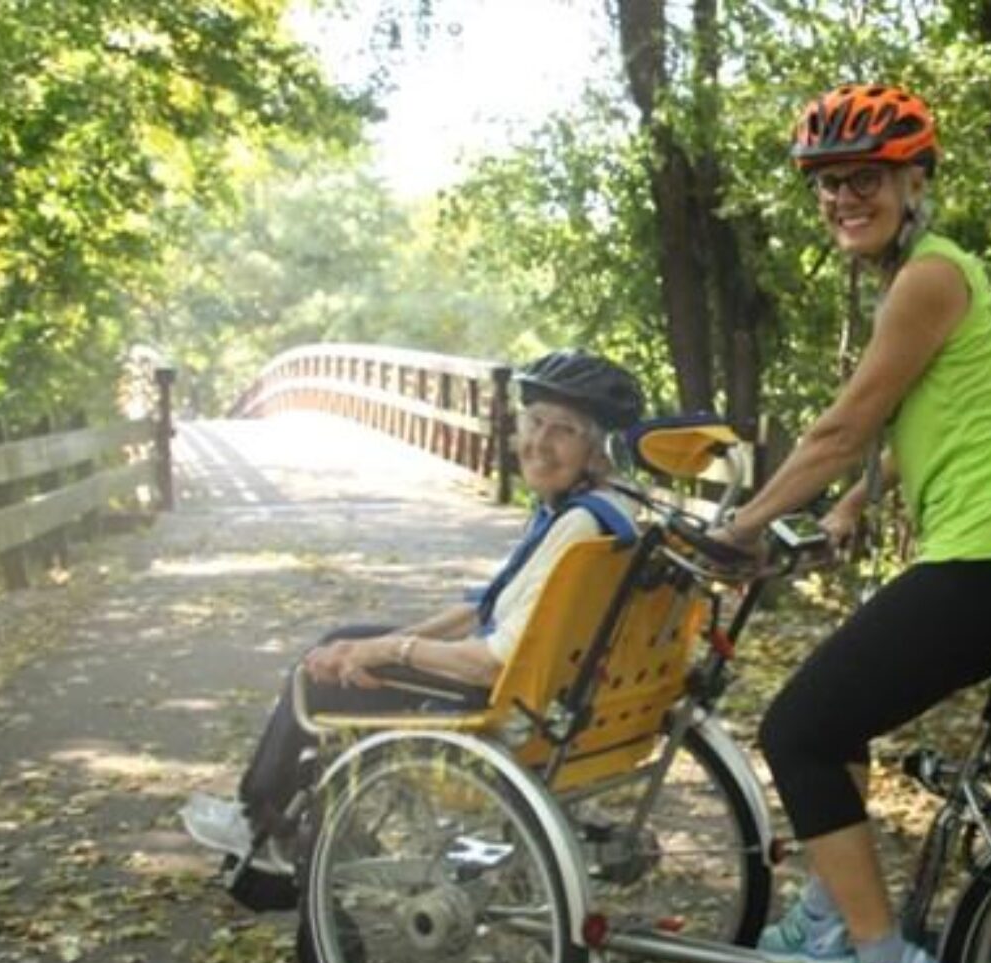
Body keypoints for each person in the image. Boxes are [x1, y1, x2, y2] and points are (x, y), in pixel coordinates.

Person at [715, 84, 991, 963]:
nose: (844, 197)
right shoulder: (943, 277)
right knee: (842, 714)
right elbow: (940, 415)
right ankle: (837, 906)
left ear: (915, 177)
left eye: (866, 177)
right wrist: (856, 502)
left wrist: (738, 526)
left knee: (794, 730)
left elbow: (841, 426)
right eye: (831, 184)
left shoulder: (924, 280)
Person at [182, 350, 646, 901]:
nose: (539, 442)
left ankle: (262, 820)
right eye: (534, 421)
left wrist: (389, 653)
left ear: (595, 451)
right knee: (346, 640)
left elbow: (490, 657)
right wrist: (380, 643)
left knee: (320, 675)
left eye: (563, 431)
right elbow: (488, 605)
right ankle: (282, 819)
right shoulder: (602, 514)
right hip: (557, 695)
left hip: (503, 705)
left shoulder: (575, 529)